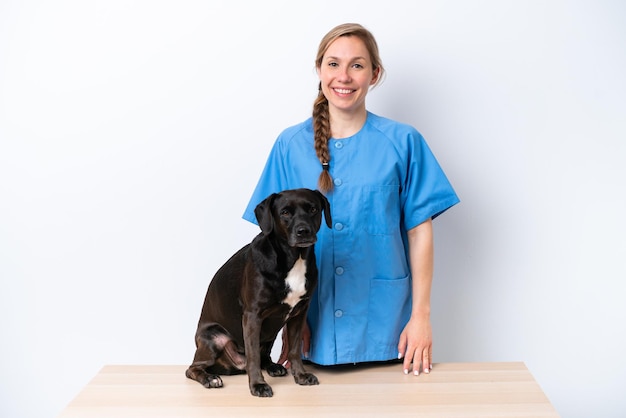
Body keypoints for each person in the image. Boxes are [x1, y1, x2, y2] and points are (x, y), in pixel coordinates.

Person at [242, 23, 459, 376]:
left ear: (375, 74)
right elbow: (269, 241)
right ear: (319, 69)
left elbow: (420, 233)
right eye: (333, 64)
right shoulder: (289, 145)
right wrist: (289, 315)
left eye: (357, 65)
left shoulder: (403, 142)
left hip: (389, 333)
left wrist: (421, 317)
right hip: (310, 340)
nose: (343, 76)